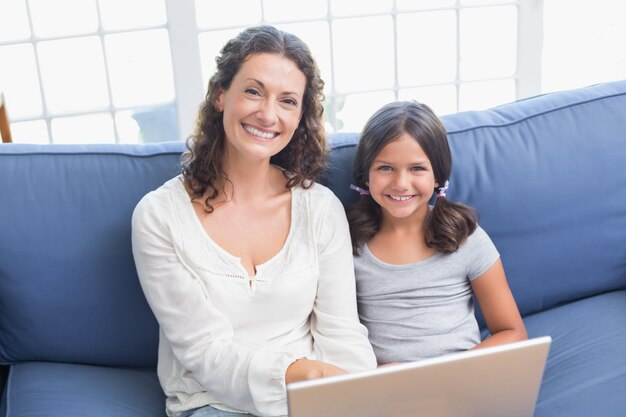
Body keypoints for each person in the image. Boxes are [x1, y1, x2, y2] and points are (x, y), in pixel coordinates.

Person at [131, 26, 376, 417]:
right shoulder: (159, 216)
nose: (267, 114)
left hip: (312, 398)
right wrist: (302, 373)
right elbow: (205, 353)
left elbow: (342, 333)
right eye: (253, 91)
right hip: (212, 402)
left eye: (288, 101)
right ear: (220, 95)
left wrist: (356, 395)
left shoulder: (320, 209)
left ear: (300, 117)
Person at [347, 101, 527, 366]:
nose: (401, 184)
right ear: (366, 175)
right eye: (385, 168)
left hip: (463, 381)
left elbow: (513, 333)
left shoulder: (465, 236)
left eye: (417, 168)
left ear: (437, 177)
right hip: (390, 392)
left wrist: (451, 372)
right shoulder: (347, 242)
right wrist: (378, 372)